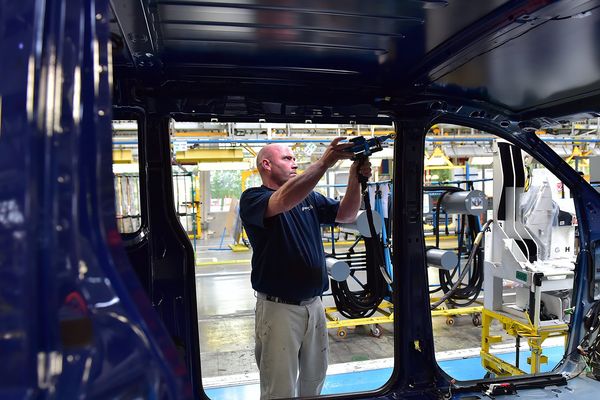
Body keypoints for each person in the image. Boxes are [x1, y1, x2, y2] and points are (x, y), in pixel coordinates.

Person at [239, 137, 371, 399]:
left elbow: (345, 214)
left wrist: (355, 177)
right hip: (279, 310)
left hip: (314, 306)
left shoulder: (309, 198)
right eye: (287, 159)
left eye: (294, 159)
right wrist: (324, 163)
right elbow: (283, 201)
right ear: (266, 164)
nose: (294, 163)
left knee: (314, 382)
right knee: (280, 390)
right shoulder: (254, 198)